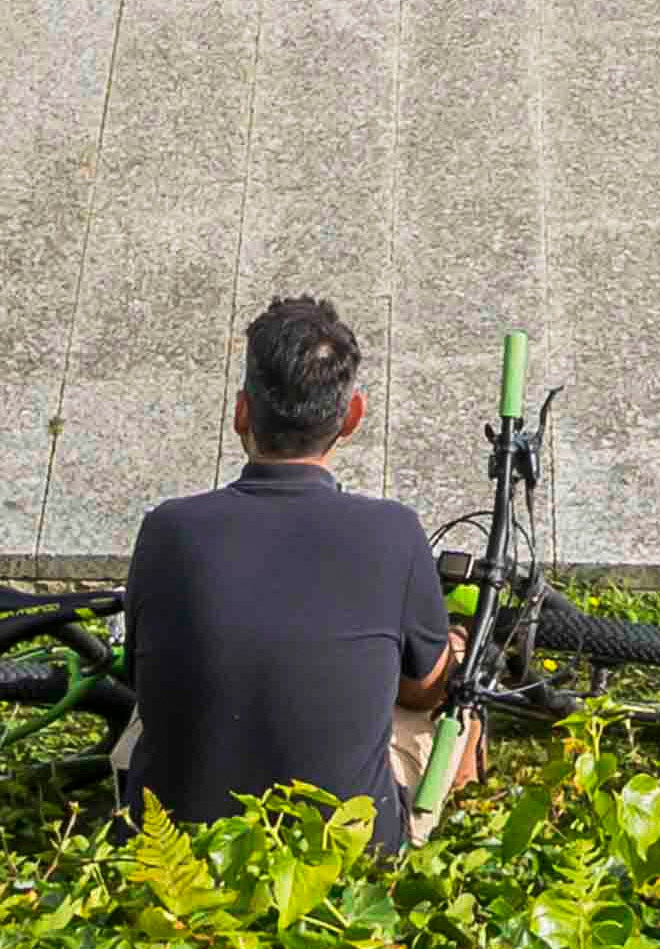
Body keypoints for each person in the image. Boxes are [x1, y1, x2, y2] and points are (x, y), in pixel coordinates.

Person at [119, 296, 462, 857]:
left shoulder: (167, 529)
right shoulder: (394, 531)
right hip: (343, 853)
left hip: (177, 850)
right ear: (351, 416)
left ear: (241, 414)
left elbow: (142, 671)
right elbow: (423, 692)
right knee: (460, 708)